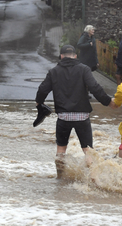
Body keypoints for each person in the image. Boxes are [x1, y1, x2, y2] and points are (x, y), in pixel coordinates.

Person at [35, 45, 115, 177]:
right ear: (75, 56)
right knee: (88, 150)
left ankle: (60, 178)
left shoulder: (54, 71)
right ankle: (94, 180)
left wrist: (39, 103)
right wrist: (108, 102)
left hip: (63, 118)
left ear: (61, 56)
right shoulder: (84, 69)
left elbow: (42, 90)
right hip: (82, 117)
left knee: (61, 150)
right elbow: (95, 88)